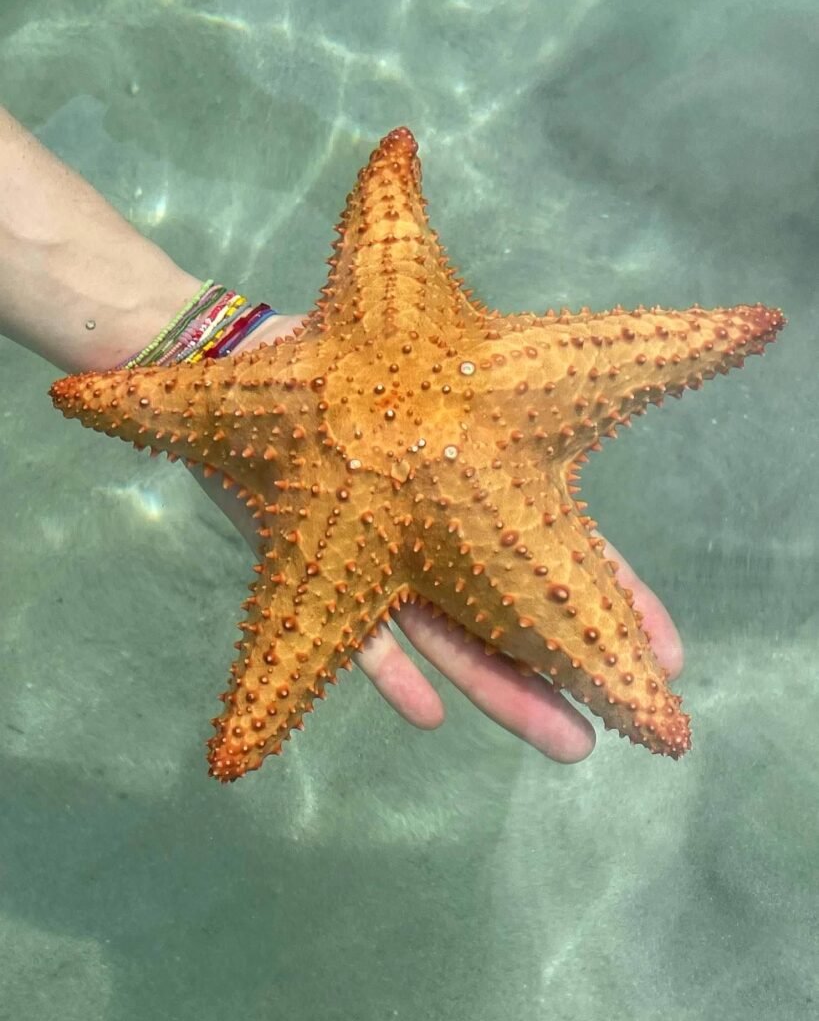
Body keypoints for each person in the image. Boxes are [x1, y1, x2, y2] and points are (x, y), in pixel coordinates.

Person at [0, 104, 684, 764]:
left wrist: (159, 340)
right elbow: (618, 347)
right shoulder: (503, 360)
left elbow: (391, 212)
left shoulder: (393, 298)